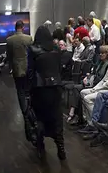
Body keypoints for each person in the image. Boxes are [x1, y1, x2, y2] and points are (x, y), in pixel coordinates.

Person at [27, 26, 65, 160]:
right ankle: (61, 148)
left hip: (40, 89)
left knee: (40, 117)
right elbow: (59, 69)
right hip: (56, 87)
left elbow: (30, 72)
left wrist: (28, 90)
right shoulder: (56, 49)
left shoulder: (33, 50)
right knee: (57, 118)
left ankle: (40, 146)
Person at [6, 20, 32, 116]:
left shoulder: (9, 40)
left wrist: (10, 67)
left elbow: (9, 56)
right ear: (23, 27)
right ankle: (30, 109)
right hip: (27, 67)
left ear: (15, 28)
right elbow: (32, 53)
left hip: (16, 68)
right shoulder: (28, 38)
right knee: (28, 89)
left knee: (20, 90)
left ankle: (24, 111)